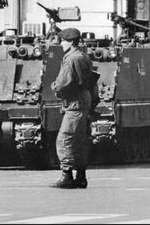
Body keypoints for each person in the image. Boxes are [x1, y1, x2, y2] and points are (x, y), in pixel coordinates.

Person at [50, 28, 92, 189]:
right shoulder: (83, 56)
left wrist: (54, 86)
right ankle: (81, 176)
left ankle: (67, 176)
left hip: (74, 103)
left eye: (63, 41)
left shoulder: (71, 59)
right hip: (83, 101)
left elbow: (62, 83)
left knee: (64, 140)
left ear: (71, 41)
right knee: (79, 141)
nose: (61, 44)